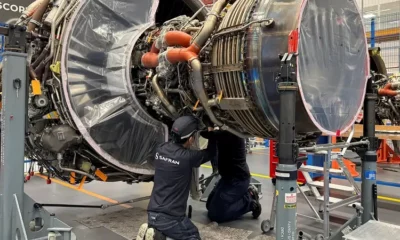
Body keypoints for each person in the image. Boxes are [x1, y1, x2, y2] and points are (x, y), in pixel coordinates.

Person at [137, 115, 216, 240]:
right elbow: (211, 152)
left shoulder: (161, 149)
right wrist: (211, 130)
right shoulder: (188, 157)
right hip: (171, 218)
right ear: (190, 139)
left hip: (152, 213)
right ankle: (157, 235)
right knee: (193, 235)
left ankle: (156, 234)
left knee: (169, 234)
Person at [201, 129, 262, 223]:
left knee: (215, 214)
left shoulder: (232, 132)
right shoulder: (226, 131)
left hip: (238, 181)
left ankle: (249, 200)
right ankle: (242, 197)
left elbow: (205, 133)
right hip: (227, 179)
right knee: (209, 205)